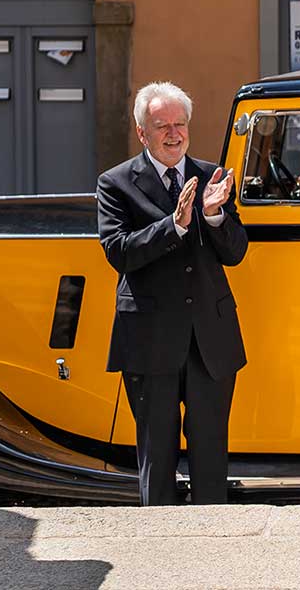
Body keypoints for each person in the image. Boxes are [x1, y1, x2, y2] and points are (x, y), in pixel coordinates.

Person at [96, 81, 248, 506]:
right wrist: (175, 226)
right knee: (157, 458)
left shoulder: (209, 175)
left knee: (211, 457)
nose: (173, 134)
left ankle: (212, 553)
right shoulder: (116, 183)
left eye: (180, 124)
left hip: (210, 342)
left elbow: (235, 253)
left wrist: (215, 216)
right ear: (143, 133)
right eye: (162, 126)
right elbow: (118, 253)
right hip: (150, 342)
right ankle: (159, 556)